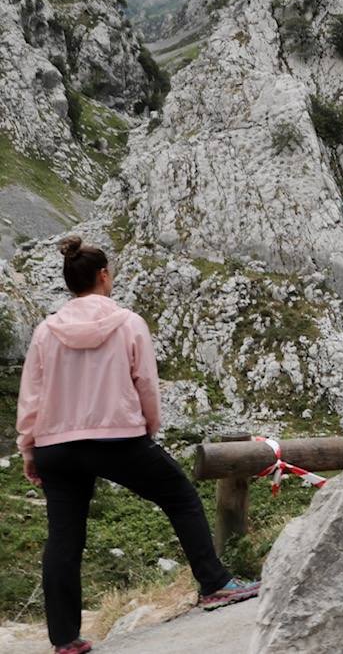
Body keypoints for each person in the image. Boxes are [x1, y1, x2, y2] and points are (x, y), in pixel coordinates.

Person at [16, 237, 258, 654]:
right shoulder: (128, 323)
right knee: (179, 495)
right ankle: (214, 583)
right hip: (117, 437)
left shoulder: (45, 331)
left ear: (69, 282)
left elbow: (31, 396)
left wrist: (29, 448)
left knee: (64, 538)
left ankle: (64, 640)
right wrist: (148, 427)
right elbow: (145, 382)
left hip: (56, 444)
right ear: (104, 276)